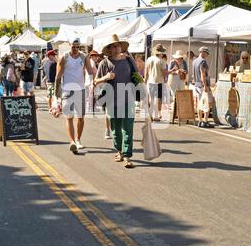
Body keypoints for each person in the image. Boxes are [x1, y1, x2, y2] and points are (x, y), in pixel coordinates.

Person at [96, 34, 140, 169]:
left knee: (128, 128)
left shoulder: (128, 61)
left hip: (128, 99)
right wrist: (106, 77)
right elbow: (95, 81)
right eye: (113, 46)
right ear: (109, 49)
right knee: (115, 129)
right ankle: (119, 151)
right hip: (111, 100)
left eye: (118, 45)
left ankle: (127, 156)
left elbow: (137, 76)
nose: (116, 48)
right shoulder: (105, 63)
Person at [54, 39, 93, 154]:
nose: (75, 49)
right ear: (69, 46)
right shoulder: (64, 57)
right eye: (73, 47)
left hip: (80, 90)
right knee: (69, 117)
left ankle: (78, 139)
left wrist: (91, 63)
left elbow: (90, 71)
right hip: (67, 90)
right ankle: (72, 142)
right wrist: (57, 94)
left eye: (77, 47)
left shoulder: (83, 57)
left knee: (80, 117)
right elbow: (58, 76)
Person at [144, 44, 168, 122]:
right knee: (157, 99)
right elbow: (164, 72)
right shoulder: (162, 61)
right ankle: (156, 116)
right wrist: (165, 79)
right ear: (161, 53)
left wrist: (145, 80)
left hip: (150, 81)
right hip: (159, 81)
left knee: (151, 98)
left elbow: (146, 72)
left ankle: (150, 114)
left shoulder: (149, 59)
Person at [192, 46, 213, 128]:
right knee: (207, 103)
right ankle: (205, 121)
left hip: (196, 84)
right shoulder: (203, 61)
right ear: (203, 52)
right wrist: (205, 85)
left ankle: (200, 121)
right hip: (202, 85)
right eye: (207, 53)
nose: (207, 55)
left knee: (199, 103)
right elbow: (203, 74)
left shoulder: (194, 61)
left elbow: (194, 74)